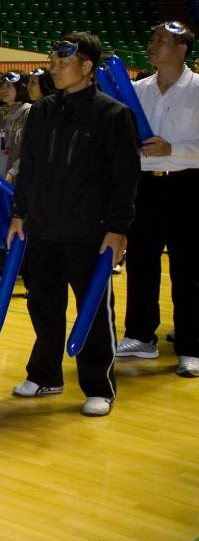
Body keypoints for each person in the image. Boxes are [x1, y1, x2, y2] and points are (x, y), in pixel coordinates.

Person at [8, 33, 140, 416]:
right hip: (44, 228)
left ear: (87, 67)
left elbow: (125, 179)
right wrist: (19, 214)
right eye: (53, 59)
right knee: (43, 306)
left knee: (94, 311)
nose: (54, 66)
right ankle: (46, 374)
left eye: (64, 61)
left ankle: (99, 385)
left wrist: (118, 228)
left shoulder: (114, 115)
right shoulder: (43, 111)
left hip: (91, 233)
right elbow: (28, 168)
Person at [119, 21, 199, 378]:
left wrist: (174, 149)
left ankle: (192, 345)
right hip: (145, 186)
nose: (153, 45)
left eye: (162, 40)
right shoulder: (136, 90)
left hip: (187, 185)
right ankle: (140, 335)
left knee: (190, 268)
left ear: (183, 48)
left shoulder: (198, 89)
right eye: (152, 39)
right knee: (141, 262)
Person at [0, 71, 30, 293]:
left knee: (14, 224)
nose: (3, 89)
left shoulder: (29, 113)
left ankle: (16, 271)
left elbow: (30, 151)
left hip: (15, 181)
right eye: (1, 86)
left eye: (9, 86)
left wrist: (12, 173)